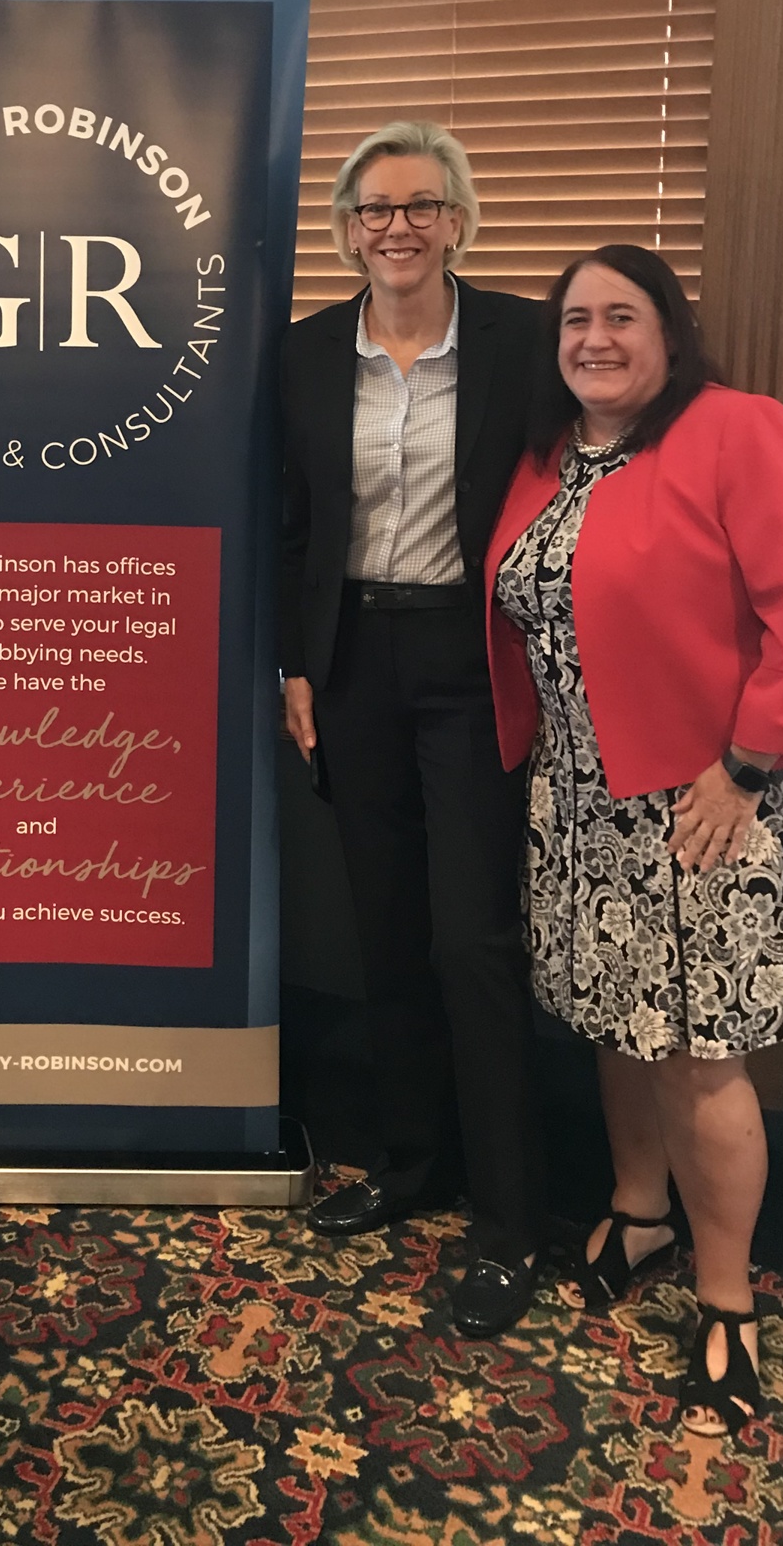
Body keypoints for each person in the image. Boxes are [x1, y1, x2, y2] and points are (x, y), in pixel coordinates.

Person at [485, 243, 783, 1437]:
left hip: (716, 799)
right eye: (574, 319)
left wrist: (746, 766)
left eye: (621, 316)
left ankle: (727, 1296)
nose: (594, 337)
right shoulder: (554, 458)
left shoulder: (737, 430)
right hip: (589, 798)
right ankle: (638, 1210)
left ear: (670, 330)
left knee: (701, 1048)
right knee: (617, 1013)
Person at [281, 119, 548, 1337]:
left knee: (473, 938)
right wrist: (295, 663)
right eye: (373, 208)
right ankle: (410, 1164)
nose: (396, 226)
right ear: (345, 229)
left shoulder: (526, 343)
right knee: (382, 923)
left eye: (420, 205)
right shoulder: (299, 356)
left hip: (470, 655)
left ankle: (508, 1218)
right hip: (350, 666)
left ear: (458, 220)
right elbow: (289, 520)